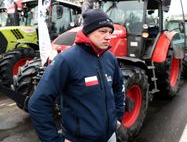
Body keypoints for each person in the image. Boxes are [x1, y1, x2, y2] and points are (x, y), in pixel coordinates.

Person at [28, 9, 125, 142]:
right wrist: (54, 140)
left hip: (110, 136)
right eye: (102, 31)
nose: (108, 36)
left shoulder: (110, 58)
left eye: (110, 32)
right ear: (88, 32)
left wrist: (118, 117)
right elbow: (38, 103)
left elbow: (119, 89)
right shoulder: (67, 60)